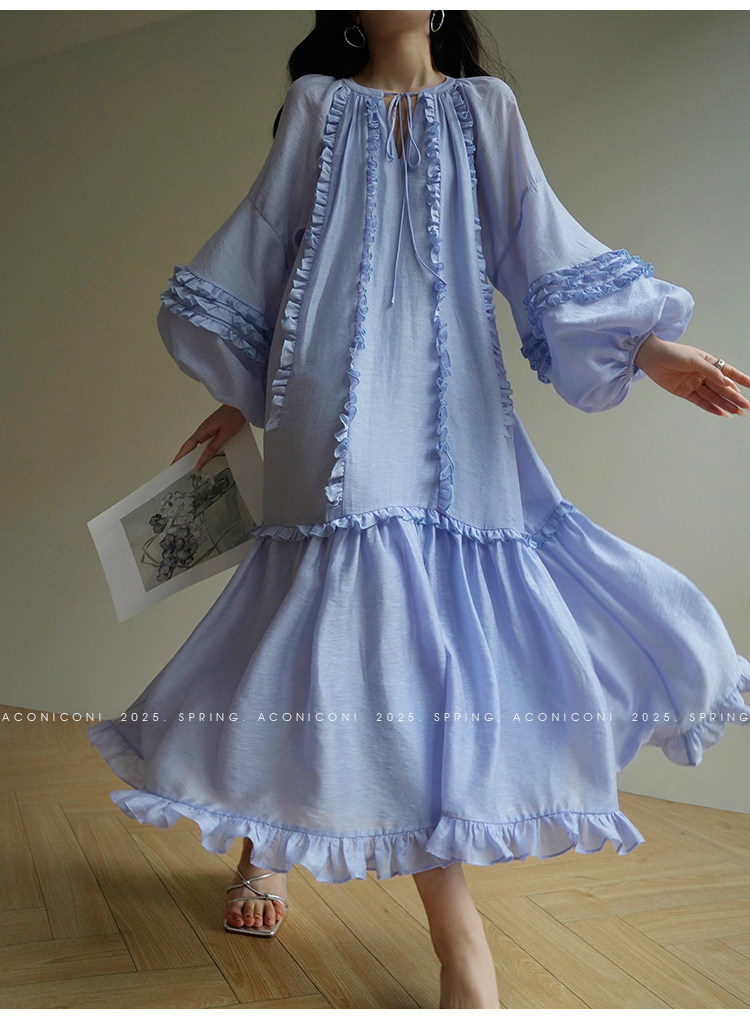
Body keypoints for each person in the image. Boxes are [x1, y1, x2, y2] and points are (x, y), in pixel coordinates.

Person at [89, 11, 750, 1009]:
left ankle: (286, 850)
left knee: (406, 642)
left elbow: (536, 247)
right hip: (324, 405)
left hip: (456, 412)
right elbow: (270, 248)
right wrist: (241, 394)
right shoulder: (315, 106)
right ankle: (441, 928)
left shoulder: (488, 109)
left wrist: (649, 348)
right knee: (339, 627)